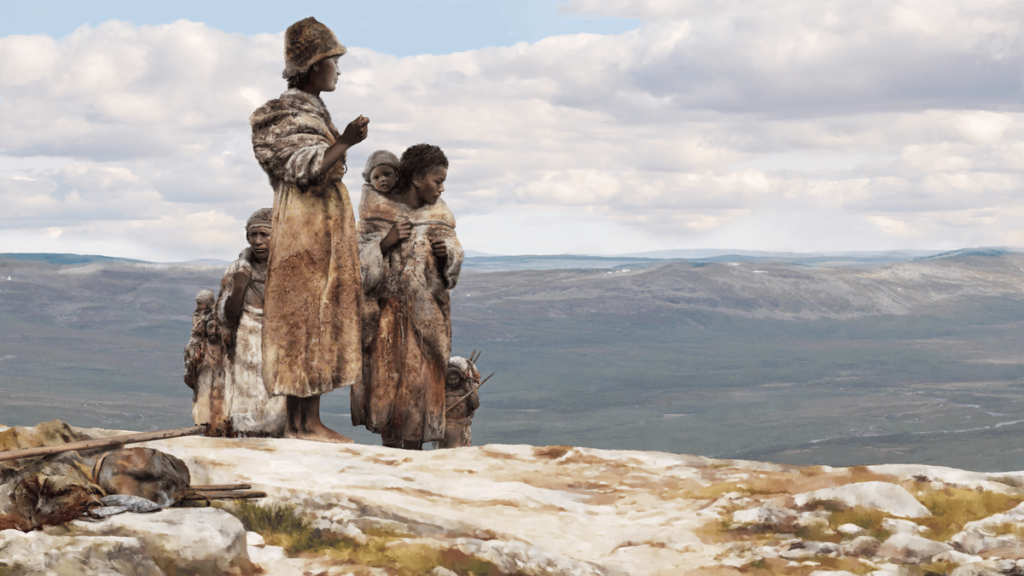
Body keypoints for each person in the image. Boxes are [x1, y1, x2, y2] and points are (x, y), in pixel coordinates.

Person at [249, 17, 369, 443]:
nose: (338, 70)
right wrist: (347, 142)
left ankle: (305, 421)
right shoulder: (283, 113)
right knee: (306, 313)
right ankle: (303, 423)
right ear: (313, 66)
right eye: (333, 62)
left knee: (316, 314)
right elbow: (302, 166)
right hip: (305, 224)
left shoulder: (312, 111)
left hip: (320, 222)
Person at [352, 144, 465, 449]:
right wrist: (385, 243)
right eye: (437, 180)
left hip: (427, 316)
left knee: (420, 385)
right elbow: (356, 262)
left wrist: (448, 255)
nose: (441, 188)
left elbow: (452, 263)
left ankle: (414, 453)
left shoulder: (439, 215)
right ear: (417, 178)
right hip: (387, 317)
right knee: (387, 384)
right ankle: (391, 454)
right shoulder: (375, 213)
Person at [215, 208, 287, 437]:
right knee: (247, 398)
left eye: (264, 234)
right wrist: (238, 288)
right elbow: (226, 317)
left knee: (280, 399)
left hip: (282, 341)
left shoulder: (291, 269)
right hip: (247, 341)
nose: (257, 241)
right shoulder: (237, 269)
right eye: (252, 235)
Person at [440, 355, 481, 449]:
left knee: (462, 452)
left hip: (462, 427)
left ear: (460, 378)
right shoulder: (442, 392)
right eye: (450, 379)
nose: (453, 381)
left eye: (455, 379)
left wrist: (468, 390)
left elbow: (475, 405)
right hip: (447, 427)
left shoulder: (466, 391)